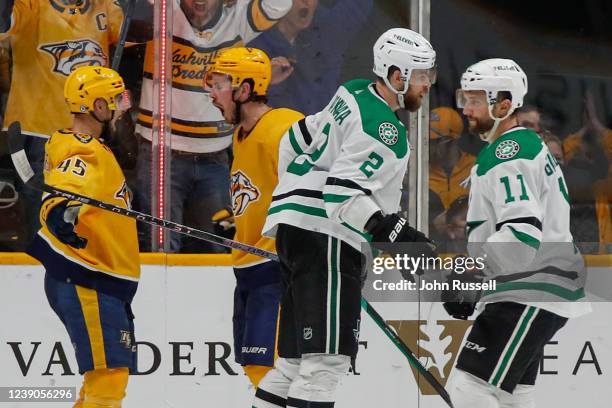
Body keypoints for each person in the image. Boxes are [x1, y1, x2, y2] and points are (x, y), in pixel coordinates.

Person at [252, 28, 437, 408]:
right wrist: (397, 236)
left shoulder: (352, 91)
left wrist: (294, 199)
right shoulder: (384, 131)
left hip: (297, 234)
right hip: (330, 241)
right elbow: (342, 194)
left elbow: (295, 141)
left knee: (293, 363)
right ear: (397, 75)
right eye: (421, 76)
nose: (427, 84)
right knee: (325, 364)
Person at [447, 58, 590, 408]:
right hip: (536, 283)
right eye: (464, 98)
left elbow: (522, 233)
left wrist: (473, 272)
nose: (466, 108)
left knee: (470, 386)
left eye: (476, 100)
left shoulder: (508, 152)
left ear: (505, 104)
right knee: (510, 393)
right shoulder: (518, 147)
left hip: (530, 285)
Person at [134, 0, 292, 253]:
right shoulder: (164, 10)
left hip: (215, 159)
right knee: (161, 248)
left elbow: (279, 4)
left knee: (225, 245)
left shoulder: (238, 18)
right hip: (159, 154)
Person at [26, 66, 140, 408]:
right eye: (118, 101)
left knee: (101, 380)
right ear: (99, 107)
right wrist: (59, 212)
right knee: (108, 377)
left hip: (96, 276)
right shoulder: (83, 149)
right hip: (86, 276)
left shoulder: (92, 145)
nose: (124, 108)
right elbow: (65, 187)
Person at [204, 47, 305, 387]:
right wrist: (238, 221)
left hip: (278, 267)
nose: (212, 95)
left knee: (273, 370)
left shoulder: (284, 127)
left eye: (219, 85)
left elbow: (314, 192)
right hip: (249, 266)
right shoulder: (240, 133)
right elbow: (267, 191)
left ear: (244, 90)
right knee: (255, 365)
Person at [0, 0, 126, 245]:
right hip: (39, 134)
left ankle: (77, 275)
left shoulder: (104, 6)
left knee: (84, 226)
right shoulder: (31, 5)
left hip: (89, 137)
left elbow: (144, 31)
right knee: (46, 225)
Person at [247, 0, 373, 115]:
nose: (306, 2)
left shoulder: (326, 33)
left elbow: (357, 7)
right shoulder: (252, 50)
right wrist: (269, 84)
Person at [429, 106, 475, 209]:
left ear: (453, 140)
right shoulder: (420, 173)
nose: (429, 148)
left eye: (435, 142)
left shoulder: (474, 168)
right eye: (427, 142)